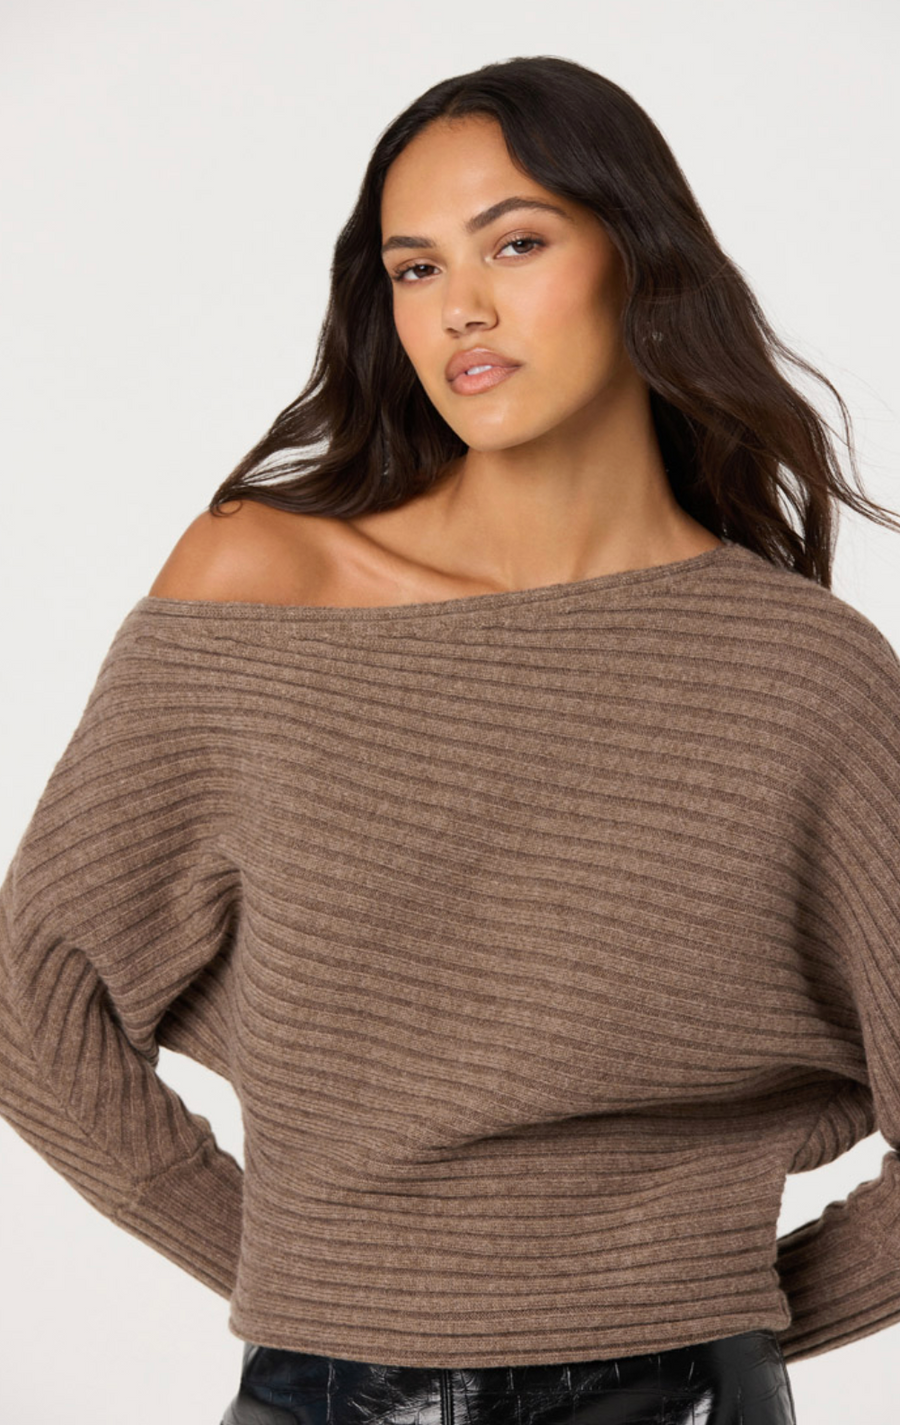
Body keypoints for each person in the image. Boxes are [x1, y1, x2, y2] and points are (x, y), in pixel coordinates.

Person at [2, 55, 899, 1425]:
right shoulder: (261, 589)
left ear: (641, 259)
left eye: (515, 244)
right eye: (414, 269)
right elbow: (35, 998)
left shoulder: (804, 674)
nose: (459, 307)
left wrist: (719, 1315)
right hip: (328, 1392)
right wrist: (309, 1279)